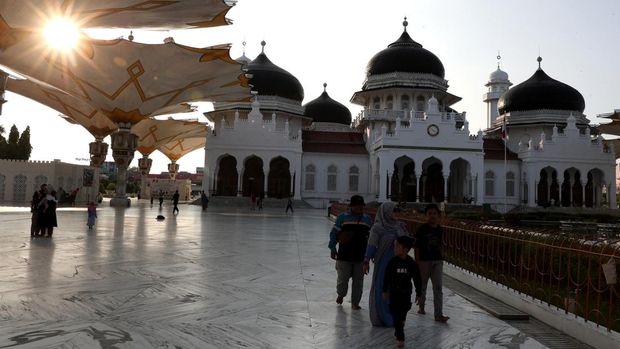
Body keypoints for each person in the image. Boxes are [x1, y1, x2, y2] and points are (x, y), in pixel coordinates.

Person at [363, 201, 408, 326]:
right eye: (394, 211)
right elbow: (371, 245)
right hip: (384, 264)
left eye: (397, 211)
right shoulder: (378, 228)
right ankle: (382, 316)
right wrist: (366, 260)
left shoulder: (400, 226)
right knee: (383, 288)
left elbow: (407, 243)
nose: (396, 213)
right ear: (386, 212)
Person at [328, 195, 372, 309]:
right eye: (357, 205)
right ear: (351, 206)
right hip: (344, 255)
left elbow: (371, 238)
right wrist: (332, 247)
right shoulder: (342, 217)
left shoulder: (367, 219)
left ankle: (355, 303)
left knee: (358, 282)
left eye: (361, 205)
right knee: (343, 280)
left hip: (360, 256)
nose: (360, 208)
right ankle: (341, 294)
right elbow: (334, 233)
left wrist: (370, 255)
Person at [382, 235, 422, 348]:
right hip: (394, 293)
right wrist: (385, 290)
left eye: (397, 246)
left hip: (405, 293)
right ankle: (400, 337)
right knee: (395, 314)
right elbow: (387, 277)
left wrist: (419, 293)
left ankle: (400, 326)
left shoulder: (411, 263)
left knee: (403, 312)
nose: (395, 248)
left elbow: (417, 279)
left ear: (405, 249)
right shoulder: (392, 262)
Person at [414, 203, 450, 322]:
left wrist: (443, 255)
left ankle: (438, 314)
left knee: (438, 287)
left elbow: (440, 244)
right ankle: (421, 307)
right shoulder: (421, 229)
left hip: (437, 260)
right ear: (426, 215)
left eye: (434, 213)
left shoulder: (440, 229)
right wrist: (417, 262)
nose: (432, 216)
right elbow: (417, 247)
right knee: (423, 285)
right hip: (424, 261)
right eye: (430, 214)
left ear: (438, 215)